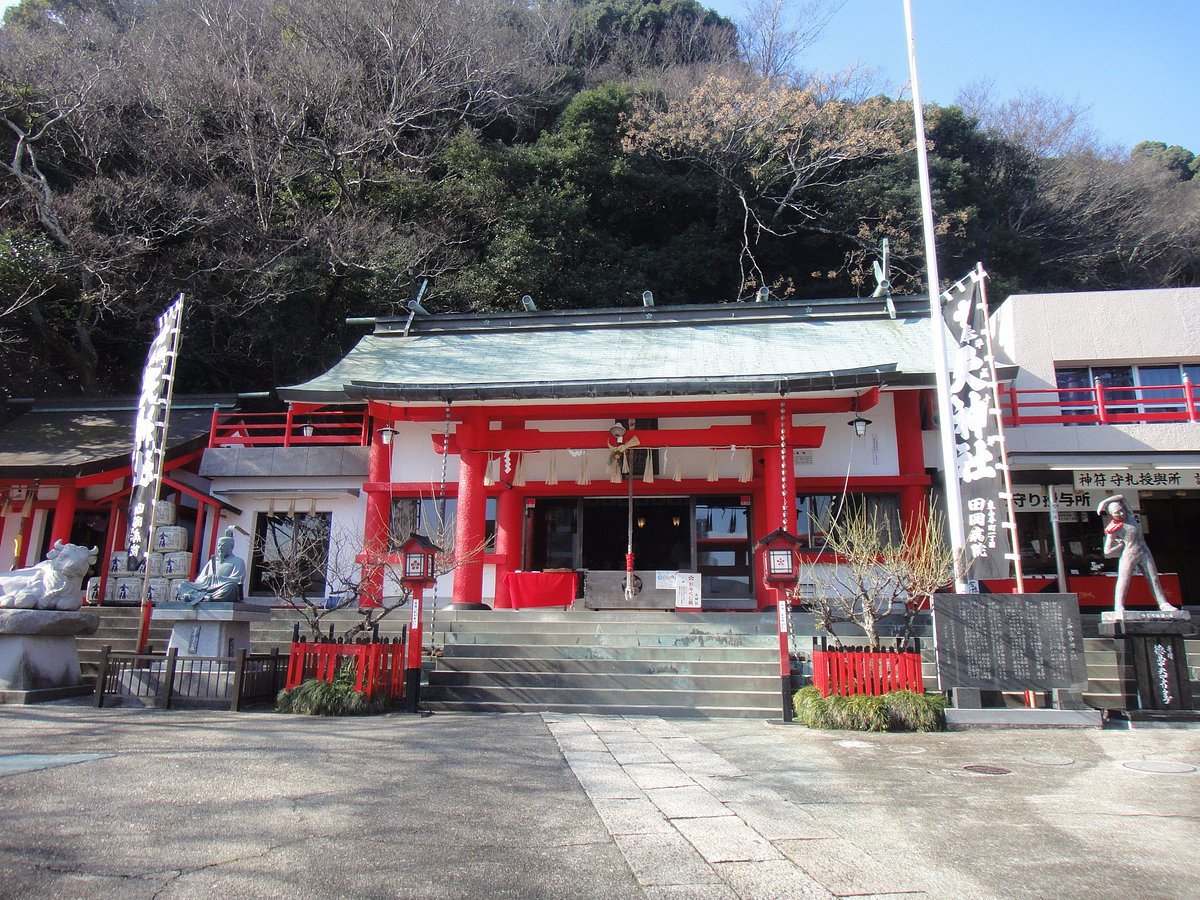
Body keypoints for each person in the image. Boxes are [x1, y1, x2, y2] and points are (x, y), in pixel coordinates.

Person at [1097, 495, 1176, 615]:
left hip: (1144, 551)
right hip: (1129, 553)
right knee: (1124, 579)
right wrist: (1119, 546)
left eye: (1121, 510)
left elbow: (1122, 497)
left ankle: (1163, 603)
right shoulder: (1113, 528)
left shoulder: (1129, 516)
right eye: (1117, 513)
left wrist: (1104, 501)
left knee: (1153, 577)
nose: (1121, 514)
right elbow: (1107, 551)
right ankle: (1119, 605)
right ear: (1111, 515)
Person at [176, 528, 246, 605]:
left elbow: (237, 580)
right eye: (219, 546)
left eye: (223, 546)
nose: (220, 548)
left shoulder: (238, 561)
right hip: (206, 587)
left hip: (221, 587)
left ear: (231, 547)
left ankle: (202, 597)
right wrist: (208, 578)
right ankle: (202, 597)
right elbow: (199, 579)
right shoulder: (213, 561)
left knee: (231, 588)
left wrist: (218, 578)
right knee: (182, 585)